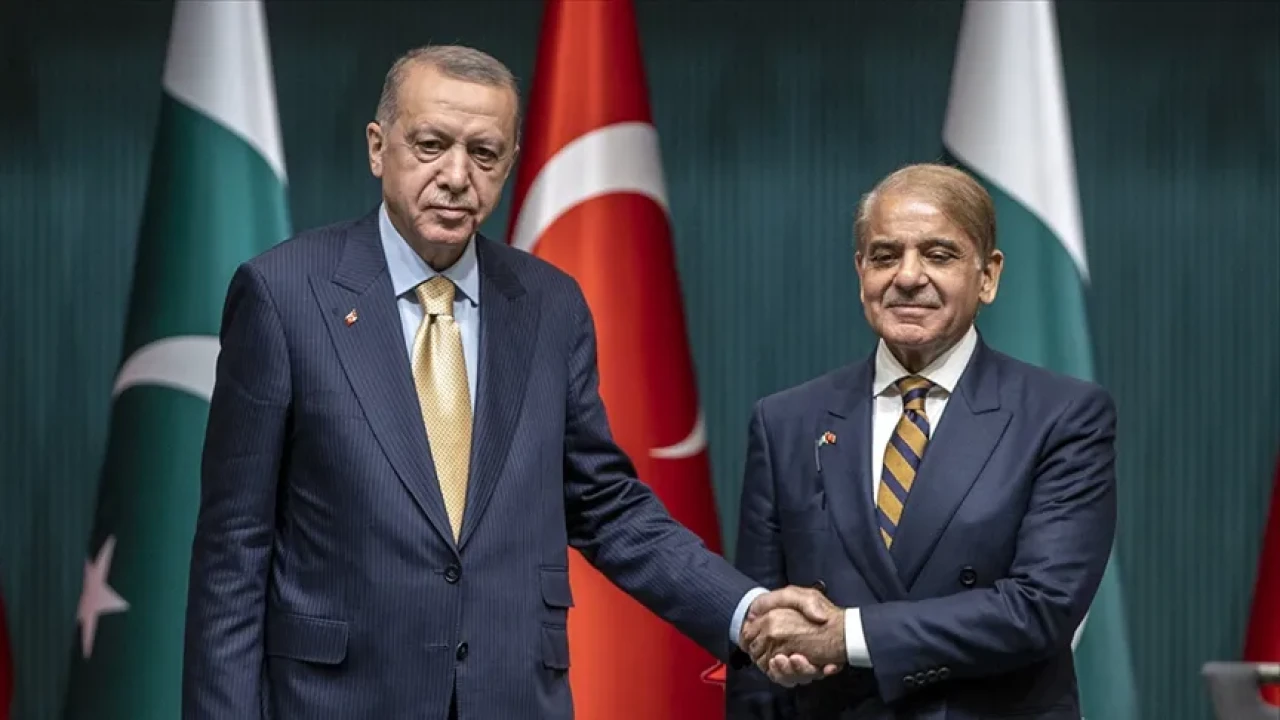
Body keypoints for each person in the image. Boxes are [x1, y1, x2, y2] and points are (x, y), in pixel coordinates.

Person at [181, 45, 820, 720]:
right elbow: (233, 549)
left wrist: (746, 610)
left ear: (509, 162)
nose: (457, 177)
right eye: (431, 145)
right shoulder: (284, 294)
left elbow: (605, 504)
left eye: (483, 154)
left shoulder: (550, 305)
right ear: (377, 147)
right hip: (338, 700)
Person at [724, 163, 1118, 719]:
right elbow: (759, 635)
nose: (908, 277)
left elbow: (1041, 607)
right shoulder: (786, 421)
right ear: (860, 271)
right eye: (885, 256)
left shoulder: (1062, 416)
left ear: (988, 276)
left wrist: (848, 635)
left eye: (938, 255)